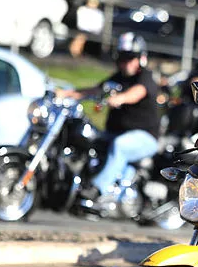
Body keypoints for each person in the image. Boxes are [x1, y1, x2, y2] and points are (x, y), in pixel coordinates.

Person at [57, 32, 160, 210]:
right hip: (114, 132)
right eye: (122, 58)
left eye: (130, 57)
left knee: (120, 145)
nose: (125, 62)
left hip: (145, 137)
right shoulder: (117, 78)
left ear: (140, 58)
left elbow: (137, 92)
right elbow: (95, 90)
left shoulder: (145, 77)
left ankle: (97, 189)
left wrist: (120, 98)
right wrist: (67, 94)